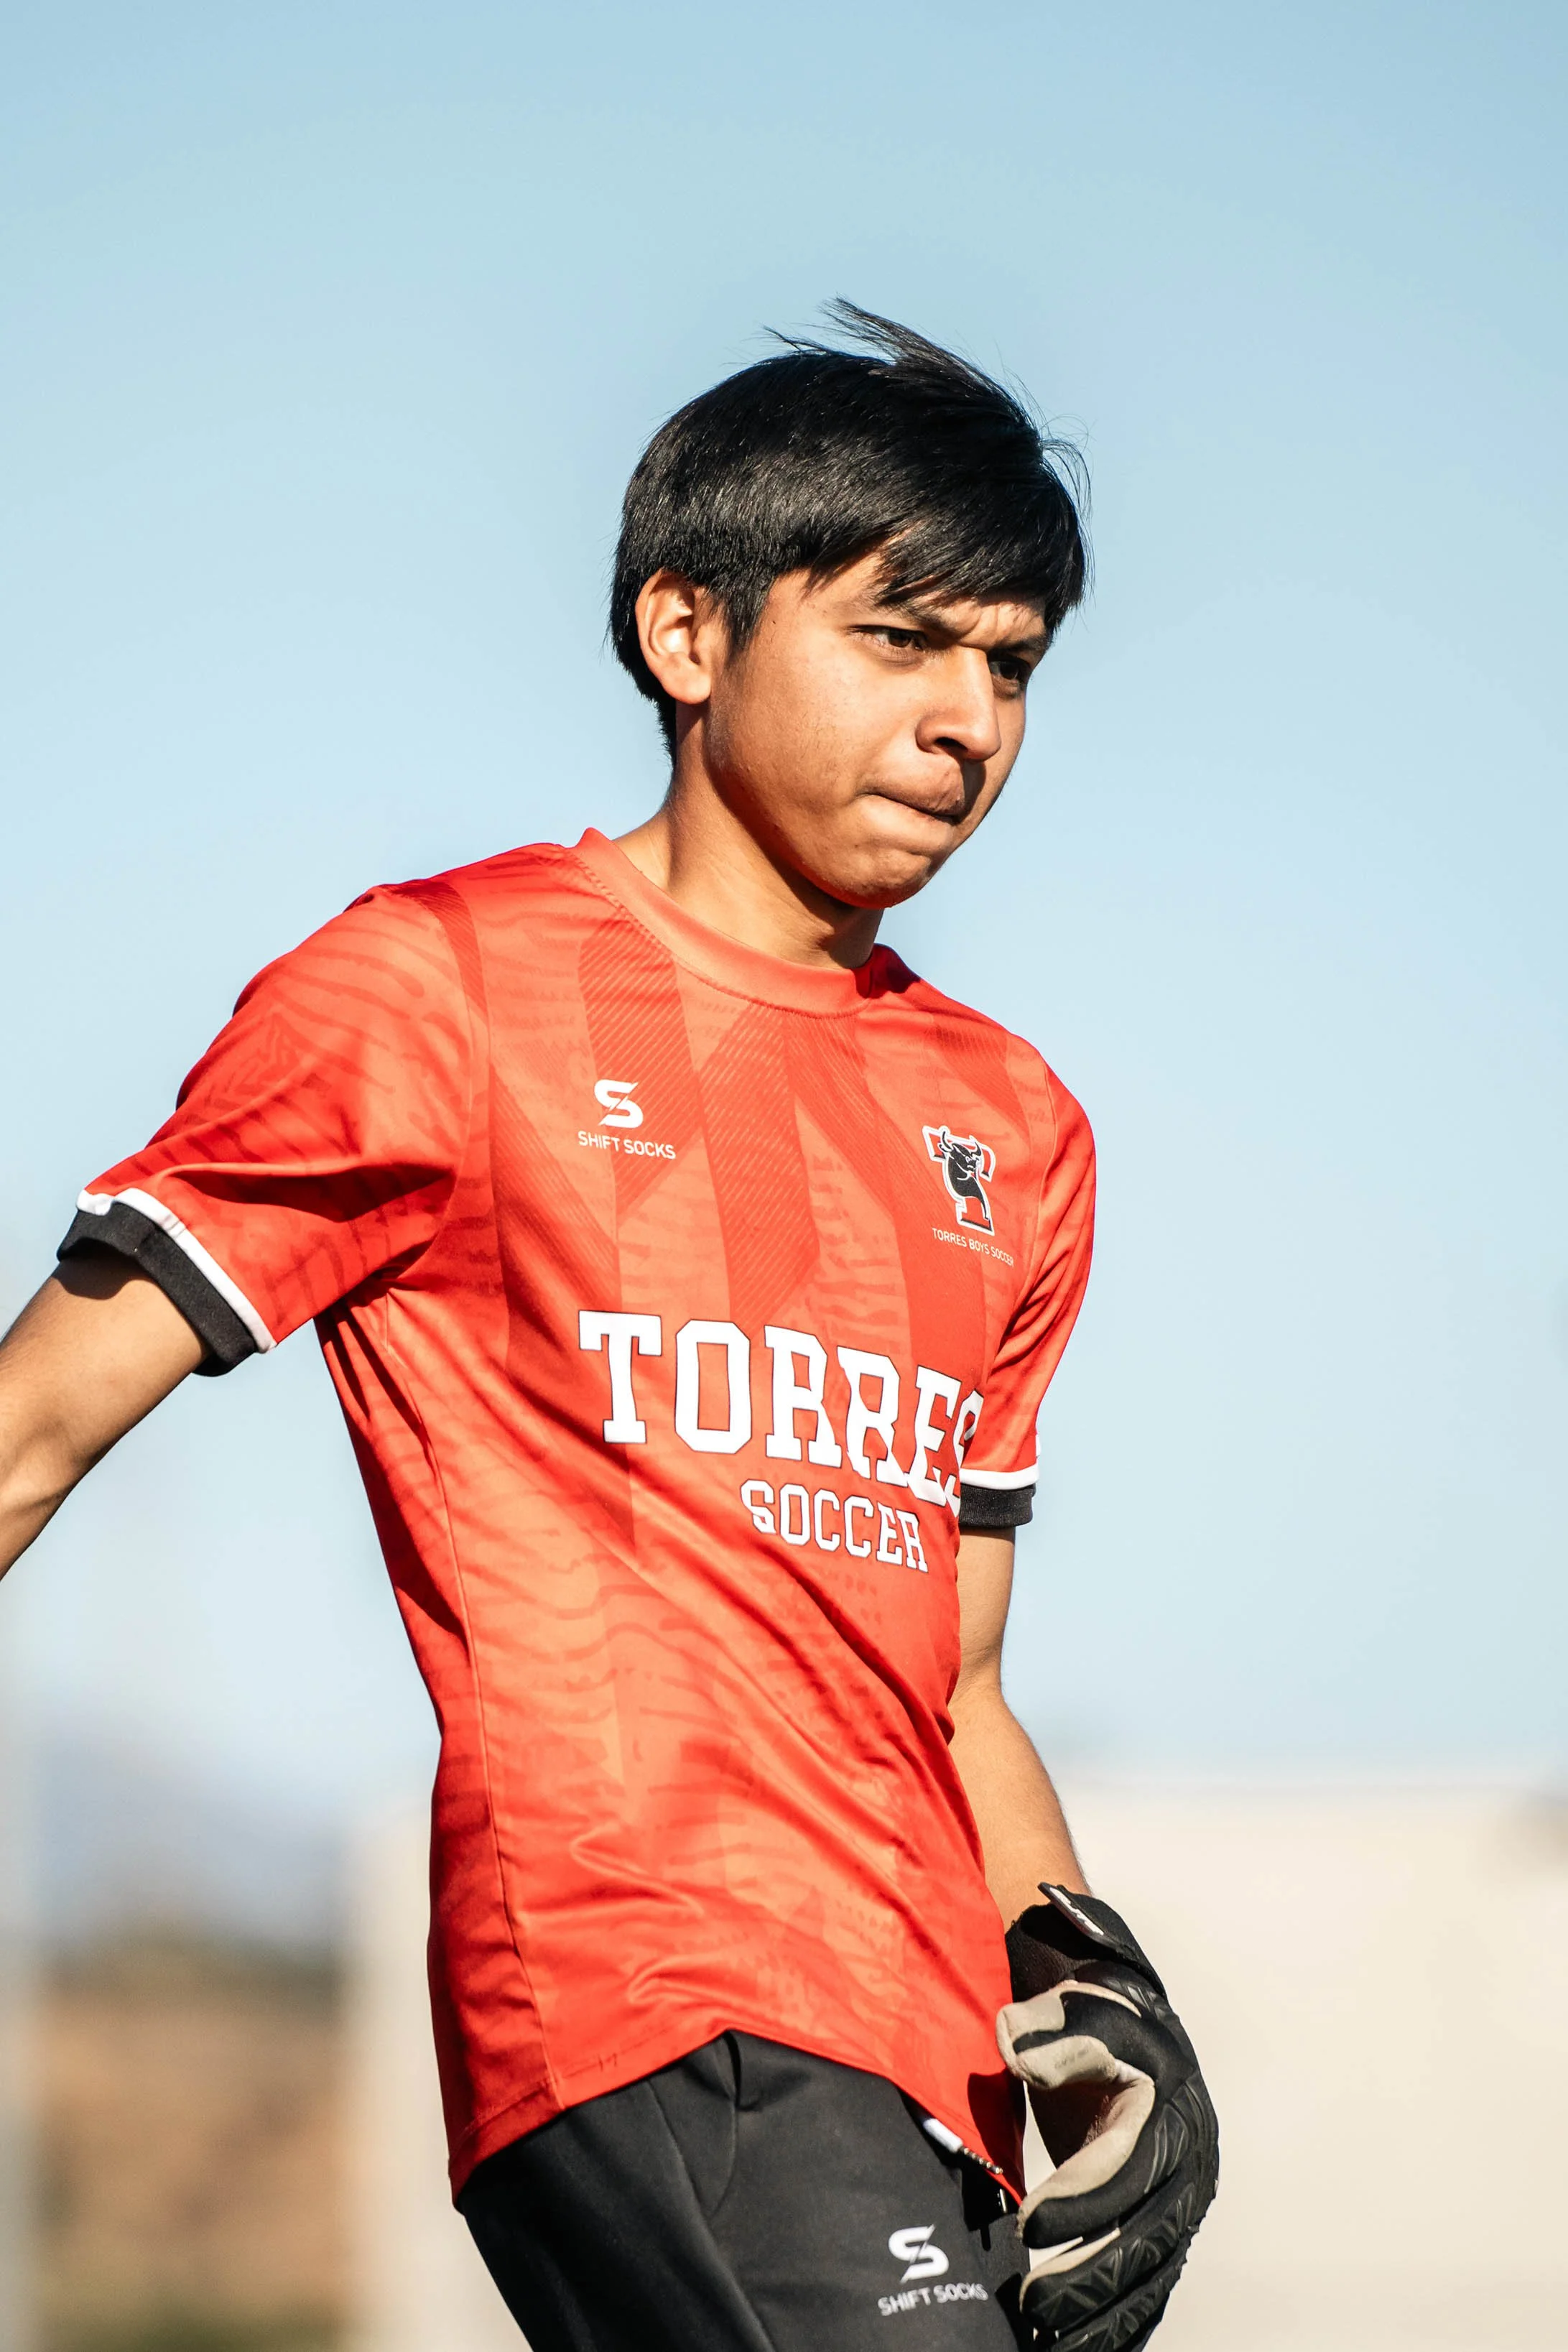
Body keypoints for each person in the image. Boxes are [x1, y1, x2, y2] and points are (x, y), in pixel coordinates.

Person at [0, 306, 1215, 2349]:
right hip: (640, 1982)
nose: (967, 723)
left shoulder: (1012, 1125)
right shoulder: (431, 991)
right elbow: (31, 1425)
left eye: (1008, 666)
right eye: (898, 640)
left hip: (919, 2042)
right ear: (686, 632)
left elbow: (958, 1672)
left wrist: (1085, 1981)